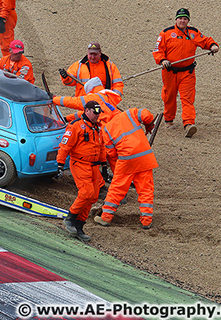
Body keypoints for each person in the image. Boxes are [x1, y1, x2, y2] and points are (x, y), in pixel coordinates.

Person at [152, 7, 219, 138]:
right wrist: (162, 60)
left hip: (187, 72)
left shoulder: (193, 33)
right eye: (180, 18)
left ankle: (188, 124)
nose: (182, 21)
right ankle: (169, 120)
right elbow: (157, 50)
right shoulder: (166, 33)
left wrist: (212, 45)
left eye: (185, 19)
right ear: (176, 19)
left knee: (187, 98)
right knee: (169, 96)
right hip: (170, 71)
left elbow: (205, 40)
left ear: (188, 20)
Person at [94, 107, 157, 230]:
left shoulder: (106, 129)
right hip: (145, 158)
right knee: (146, 190)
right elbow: (147, 115)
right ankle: (146, 221)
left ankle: (106, 217)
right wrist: (149, 126)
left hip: (126, 160)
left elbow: (111, 152)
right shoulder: (129, 113)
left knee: (116, 188)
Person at [51, 76, 122, 184]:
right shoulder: (106, 97)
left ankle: (110, 185)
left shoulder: (94, 98)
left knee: (94, 157)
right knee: (111, 161)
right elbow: (83, 113)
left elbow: (74, 102)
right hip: (115, 133)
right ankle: (116, 185)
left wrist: (54, 99)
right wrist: (66, 118)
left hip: (105, 133)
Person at [57, 101, 106, 242]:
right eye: (95, 113)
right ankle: (70, 218)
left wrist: (103, 166)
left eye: (98, 113)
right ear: (87, 111)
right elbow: (65, 146)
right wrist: (60, 164)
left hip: (94, 166)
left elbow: (101, 147)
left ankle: (79, 227)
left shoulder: (97, 127)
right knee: (86, 193)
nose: (97, 116)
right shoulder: (76, 126)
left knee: (93, 196)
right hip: (80, 164)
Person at [59, 42, 124, 97]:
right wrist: (65, 77)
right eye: (91, 54)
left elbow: (118, 85)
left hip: (104, 102)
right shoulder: (78, 65)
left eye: (95, 54)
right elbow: (70, 82)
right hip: (84, 102)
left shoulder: (110, 66)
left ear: (100, 53)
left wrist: (113, 98)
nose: (92, 57)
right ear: (87, 53)